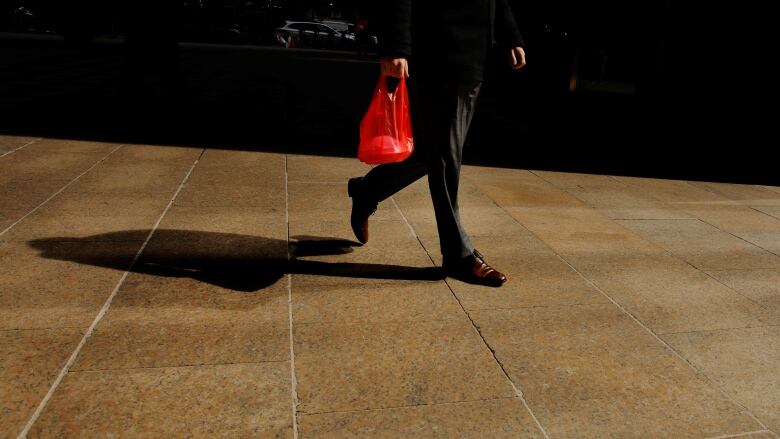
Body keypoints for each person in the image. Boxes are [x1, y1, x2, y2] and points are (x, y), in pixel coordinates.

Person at [347, 0, 527, 286]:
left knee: (432, 153)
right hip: (438, 54)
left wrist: (510, 35)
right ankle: (458, 254)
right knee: (444, 156)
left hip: (475, 57)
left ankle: (367, 189)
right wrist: (395, 46)